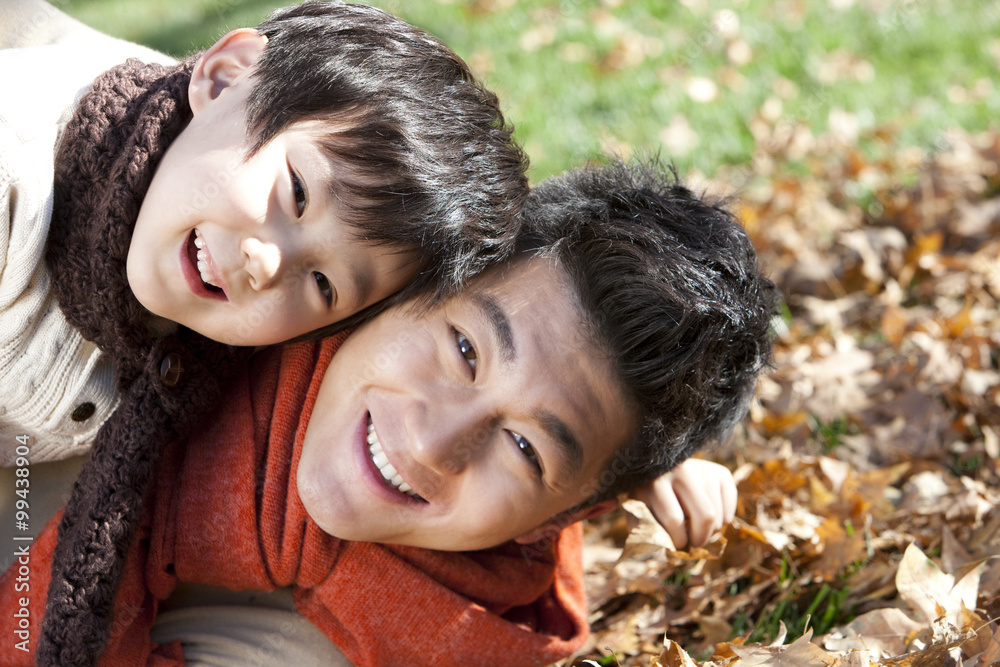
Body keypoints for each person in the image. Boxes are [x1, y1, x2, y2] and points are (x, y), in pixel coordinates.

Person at [1, 158, 776, 665]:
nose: (436, 442)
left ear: (562, 515)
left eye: (526, 448)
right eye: (466, 351)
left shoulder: (457, 624)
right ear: (414, 278)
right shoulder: (234, 249)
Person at [0, 3, 529, 658]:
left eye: (324, 284)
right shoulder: (13, 172)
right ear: (223, 78)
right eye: (297, 193)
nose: (267, 263)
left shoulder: (208, 201)